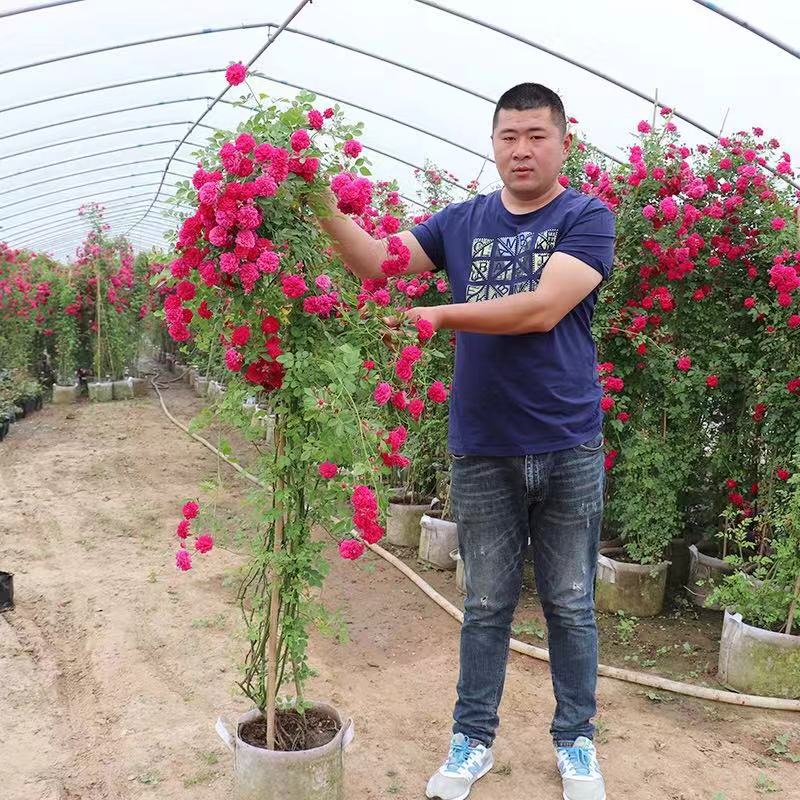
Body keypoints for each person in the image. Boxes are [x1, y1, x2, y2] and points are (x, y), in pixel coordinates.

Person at [318, 82, 615, 800]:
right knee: (485, 603)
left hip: (567, 441)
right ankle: (472, 741)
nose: (522, 149)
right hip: (482, 445)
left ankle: (576, 741)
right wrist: (319, 203)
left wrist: (438, 316)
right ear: (492, 143)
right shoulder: (462, 221)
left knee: (571, 601)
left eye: (536, 136)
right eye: (509, 136)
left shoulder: (587, 215)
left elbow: (544, 309)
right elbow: (376, 264)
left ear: (563, 144)